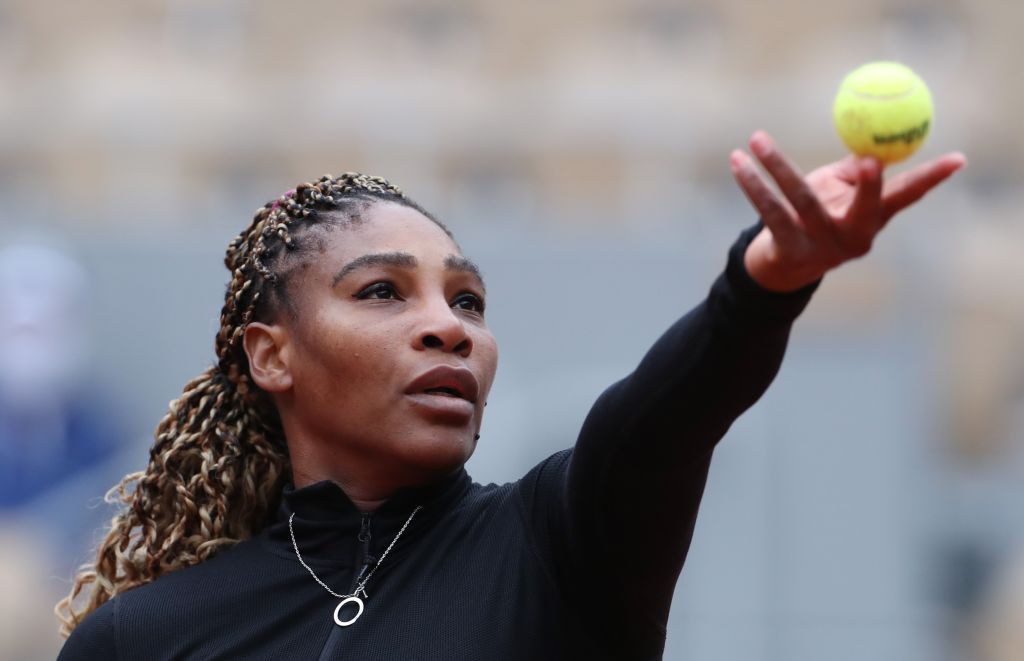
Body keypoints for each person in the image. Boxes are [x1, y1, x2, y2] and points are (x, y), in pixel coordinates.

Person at [55, 132, 965, 660]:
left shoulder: (560, 542)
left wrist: (763, 285)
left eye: (468, 300)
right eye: (382, 292)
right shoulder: (145, 638)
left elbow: (654, 426)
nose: (449, 326)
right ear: (272, 355)